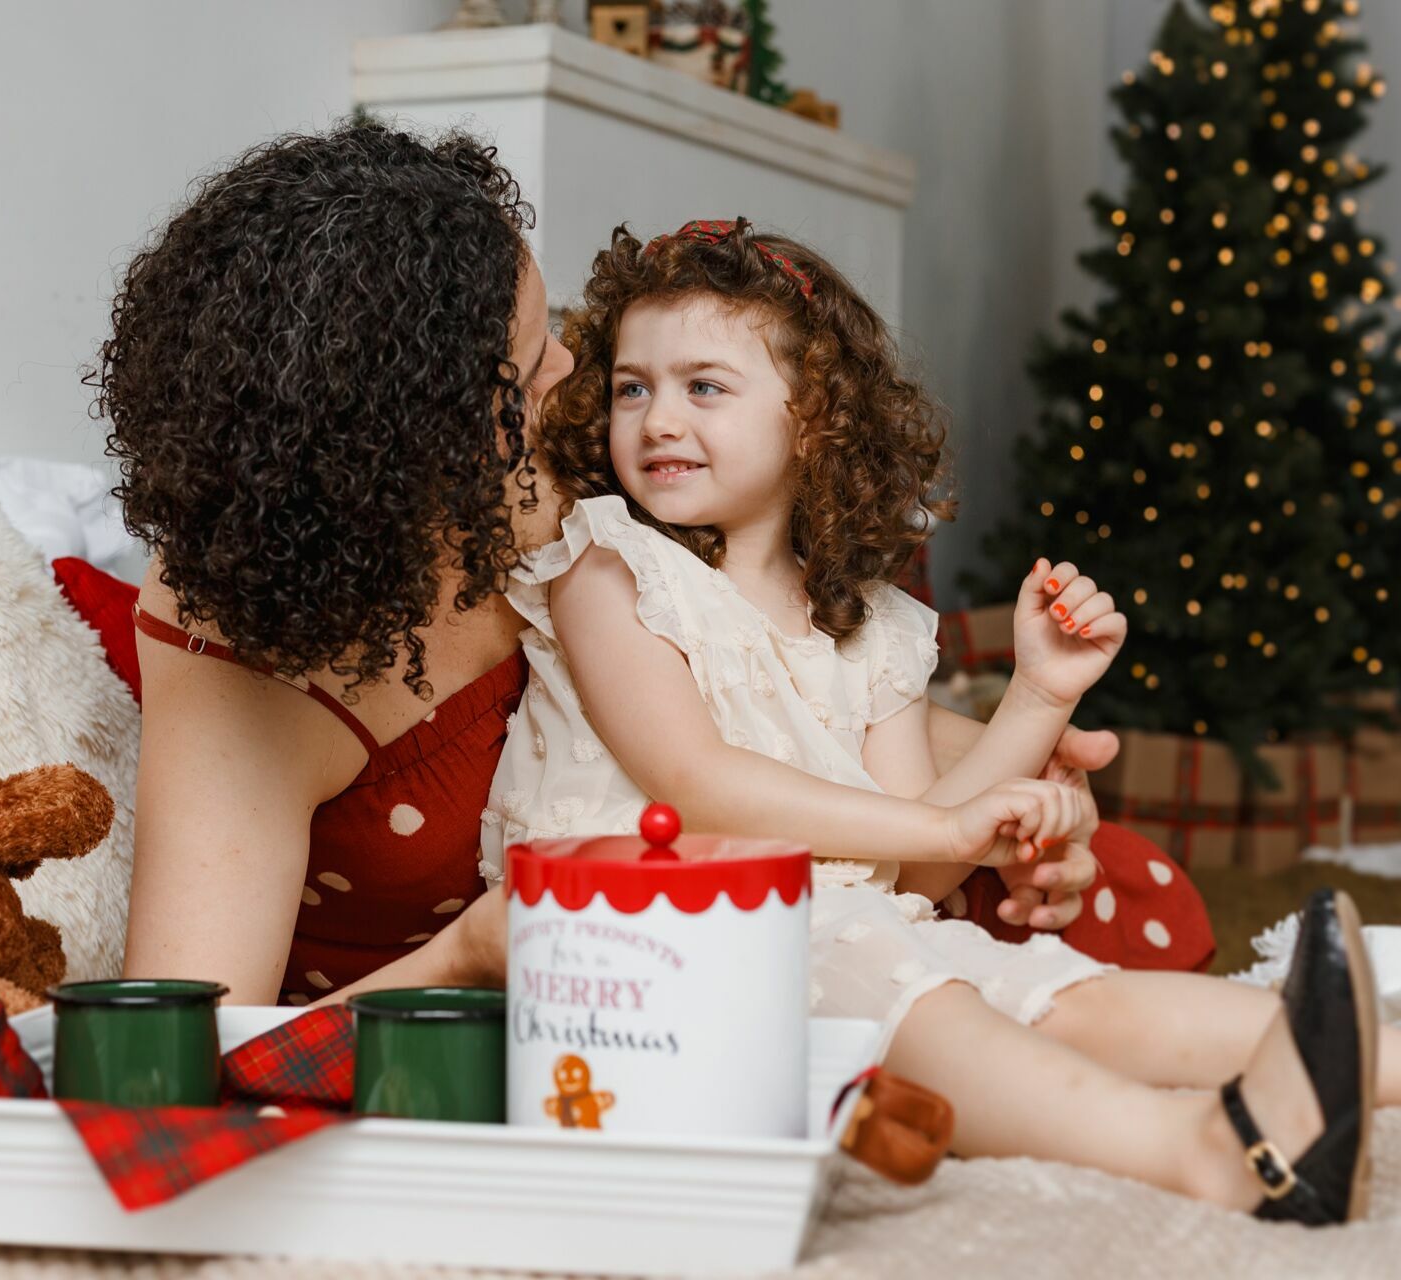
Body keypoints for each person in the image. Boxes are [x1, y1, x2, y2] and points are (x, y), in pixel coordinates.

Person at [438, 217, 1401, 1223]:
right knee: (931, 1006)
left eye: (704, 386)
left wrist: (1038, 695)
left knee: (1060, 995)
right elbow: (697, 777)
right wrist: (945, 835)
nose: (657, 418)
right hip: (638, 931)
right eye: (632, 386)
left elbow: (909, 865)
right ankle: (1206, 1154)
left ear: (817, 419)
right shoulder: (607, 562)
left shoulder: (870, 628)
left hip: (817, 915)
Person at [102, 122, 1174, 1011]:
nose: (574, 368)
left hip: (811, 862)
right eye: (533, 366)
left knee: (1132, 893)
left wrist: (1020, 754)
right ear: (418, 445)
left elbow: (760, 678)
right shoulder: (234, 636)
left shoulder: (559, 476)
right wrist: (470, 956)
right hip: (556, 998)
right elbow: (175, 1069)